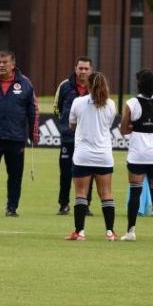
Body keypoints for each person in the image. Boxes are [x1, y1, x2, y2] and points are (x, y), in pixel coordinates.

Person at [0, 50, 38, 218]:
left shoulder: (25, 83)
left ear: (13, 64)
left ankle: (12, 208)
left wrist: (34, 132)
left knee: (15, 175)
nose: (1, 65)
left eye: (5, 62)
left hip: (16, 138)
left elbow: (33, 110)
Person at [118, 69, 153, 242]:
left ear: (139, 85)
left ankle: (131, 231)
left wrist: (135, 128)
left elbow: (123, 129)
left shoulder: (132, 103)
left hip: (137, 155)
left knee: (135, 192)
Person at [64, 72, 118, 241]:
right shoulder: (110, 104)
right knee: (106, 193)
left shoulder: (78, 102)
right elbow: (108, 124)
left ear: (88, 85)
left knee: (81, 193)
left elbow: (72, 123)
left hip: (83, 155)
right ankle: (110, 232)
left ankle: (79, 232)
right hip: (104, 155)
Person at [53, 57, 93, 215]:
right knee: (65, 173)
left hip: (88, 139)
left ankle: (86, 205)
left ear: (90, 70)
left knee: (87, 173)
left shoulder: (95, 86)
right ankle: (63, 205)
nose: (83, 71)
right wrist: (66, 125)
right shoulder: (65, 86)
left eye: (86, 69)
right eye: (80, 68)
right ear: (75, 69)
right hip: (69, 139)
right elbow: (57, 108)